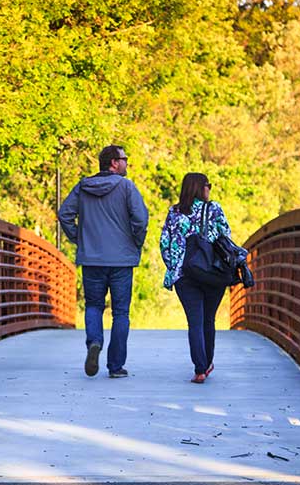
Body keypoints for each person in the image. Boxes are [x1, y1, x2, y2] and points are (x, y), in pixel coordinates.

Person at [58, 145, 149, 378]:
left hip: (92, 259)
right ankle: (116, 366)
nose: (127, 162)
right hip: (121, 260)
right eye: (124, 159)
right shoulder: (127, 187)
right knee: (120, 313)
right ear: (113, 163)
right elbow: (141, 218)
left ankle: (94, 343)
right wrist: (135, 242)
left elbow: (64, 214)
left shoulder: (83, 186)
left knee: (94, 306)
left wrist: (79, 238)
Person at [159, 172, 232, 384]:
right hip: (211, 274)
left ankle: (199, 368)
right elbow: (225, 236)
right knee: (209, 319)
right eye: (207, 185)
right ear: (201, 188)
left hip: (185, 275)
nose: (210, 189)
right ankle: (207, 364)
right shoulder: (214, 209)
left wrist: (175, 267)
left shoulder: (174, 212)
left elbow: (165, 242)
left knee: (195, 322)